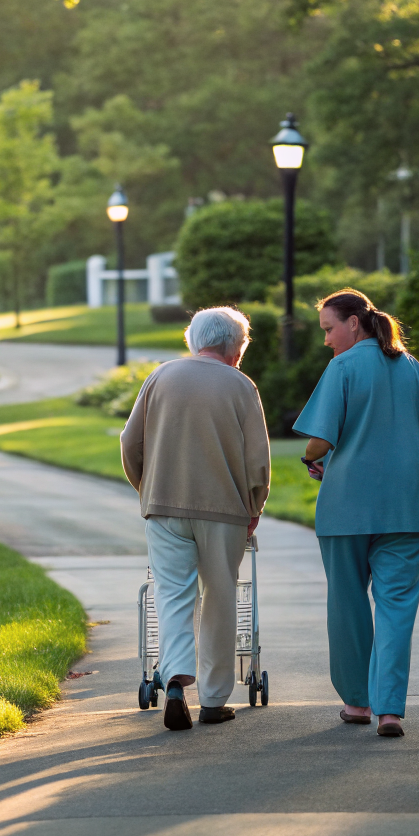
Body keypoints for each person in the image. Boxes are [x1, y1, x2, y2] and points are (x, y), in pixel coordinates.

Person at [293, 288, 419, 738]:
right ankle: (390, 711)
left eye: (329, 329)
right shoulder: (411, 368)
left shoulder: (342, 368)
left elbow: (319, 442)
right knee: (397, 608)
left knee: (347, 605)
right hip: (407, 507)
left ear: (354, 323)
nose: (326, 339)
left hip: (346, 508)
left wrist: (311, 461)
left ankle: (357, 704)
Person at [121, 306, 271, 731]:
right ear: (235, 348)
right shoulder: (242, 386)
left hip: (164, 507)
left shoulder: (160, 377)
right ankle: (213, 699)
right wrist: (253, 507)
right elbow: (257, 461)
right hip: (224, 510)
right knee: (221, 597)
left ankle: (174, 682)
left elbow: (130, 442)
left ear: (195, 340)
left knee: (171, 595)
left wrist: (148, 490)